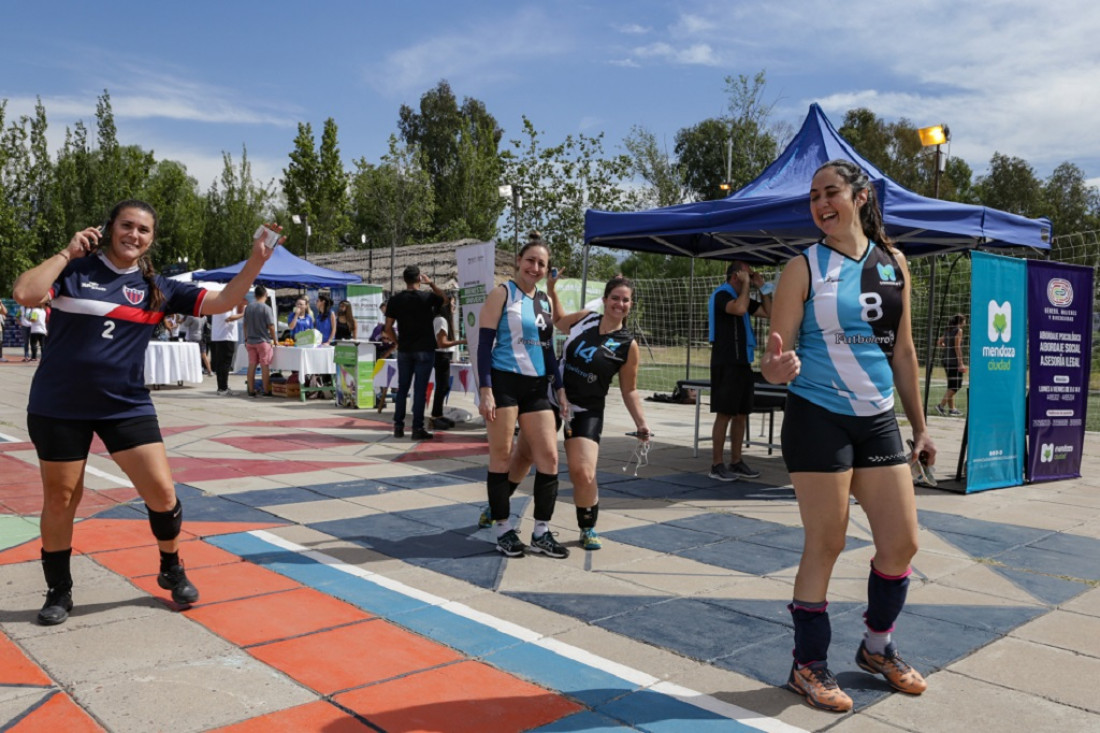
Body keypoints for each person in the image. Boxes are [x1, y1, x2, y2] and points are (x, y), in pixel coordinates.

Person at [11, 199, 276, 625]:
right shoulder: (74, 271)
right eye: (126, 226)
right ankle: (59, 589)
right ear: (108, 228)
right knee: (61, 499)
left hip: (125, 405)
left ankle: (170, 566)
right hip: (59, 405)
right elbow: (23, 293)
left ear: (151, 239)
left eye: (143, 230)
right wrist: (66, 252)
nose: (133, 235)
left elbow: (226, 300)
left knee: (162, 494)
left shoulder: (161, 288)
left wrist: (256, 260)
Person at [761, 160, 935, 712]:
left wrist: (921, 424)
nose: (819, 204)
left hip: (879, 417)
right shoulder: (801, 268)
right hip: (817, 415)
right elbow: (771, 358)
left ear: (860, 197)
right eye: (812, 196)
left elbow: (903, 352)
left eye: (829, 192)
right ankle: (808, 665)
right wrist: (775, 370)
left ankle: (877, 648)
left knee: (902, 542)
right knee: (828, 542)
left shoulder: (894, 264)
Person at [477, 233, 568, 559]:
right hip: (503, 383)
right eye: (530, 260)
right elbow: (483, 345)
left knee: (549, 458)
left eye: (542, 263)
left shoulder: (543, 300)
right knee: (502, 457)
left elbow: (548, 349)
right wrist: (485, 390)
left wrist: (559, 387)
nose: (535, 267)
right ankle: (503, 529)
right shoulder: (502, 293)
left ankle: (541, 531)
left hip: (536, 387)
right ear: (518, 261)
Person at [549, 272, 650, 550]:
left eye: (625, 300)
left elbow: (629, 389)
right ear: (605, 300)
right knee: (524, 456)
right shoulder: (585, 318)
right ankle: (497, 510)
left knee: (584, 472)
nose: (620, 304)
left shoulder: (628, 345)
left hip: (587, 408)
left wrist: (641, 423)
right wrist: (551, 290)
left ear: (631, 305)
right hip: (553, 396)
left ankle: (587, 527)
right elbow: (558, 322)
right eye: (615, 298)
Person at [708, 260, 771, 481]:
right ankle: (717, 464)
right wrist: (746, 285)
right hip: (726, 361)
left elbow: (768, 312)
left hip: (743, 361)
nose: (750, 277)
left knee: (742, 414)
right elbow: (740, 308)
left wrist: (762, 287)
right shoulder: (722, 295)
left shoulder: (744, 295)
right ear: (736, 276)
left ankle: (736, 461)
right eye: (746, 274)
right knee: (724, 413)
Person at [384, 266, 444, 440]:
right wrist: (431, 283)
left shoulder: (395, 300)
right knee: (419, 389)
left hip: (405, 349)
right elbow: (445, 299)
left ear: (404, 280)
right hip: (424, 348)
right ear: (419, 278)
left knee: (402, 388)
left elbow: (388, 327)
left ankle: (398, 426)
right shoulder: (427, 298)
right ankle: (417, 428)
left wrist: (397, 341)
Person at [430, 295, 466, 430]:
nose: (454, 307)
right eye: (452, 304)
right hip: (440, 355)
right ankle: (435, 417)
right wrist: (462, 342)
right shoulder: (441, 320)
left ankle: (438, 415)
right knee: (442, 386)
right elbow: (442, 343)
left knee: (443, 386)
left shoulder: (444, 320)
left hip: (443, 356)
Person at [244, 285, 278, 397]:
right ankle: (266, 390)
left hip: (250, 341)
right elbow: (271, 326)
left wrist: (246, 338)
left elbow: (245, 325)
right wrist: (275, 340)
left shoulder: (248, 307)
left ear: (254, 295)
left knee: (252, 365)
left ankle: (251, 389)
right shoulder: (266, 308)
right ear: (266, 295)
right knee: (264, 365)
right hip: (263, 341)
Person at [210, 300, 246, 396]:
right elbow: (228, 318)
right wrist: (243, 314)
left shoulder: (221, 304)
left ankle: (222, 386)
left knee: (222, 363)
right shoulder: (225, 304)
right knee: (224, 363)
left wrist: (240, 308)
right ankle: (222, 388)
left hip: (222, 336)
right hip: (225, 337)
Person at [934, 314, 967, 417]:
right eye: (964, 321)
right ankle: (941, 406)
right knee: (956, 385)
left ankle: (952, 409)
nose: (965, 323)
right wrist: (961, 363)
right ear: (961, 322)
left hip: (946, 360)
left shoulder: (948, 330)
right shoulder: (958, 331)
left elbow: (939, 341)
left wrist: (946, 347)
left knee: (951, 385)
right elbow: (957, 347)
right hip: (954, 362)